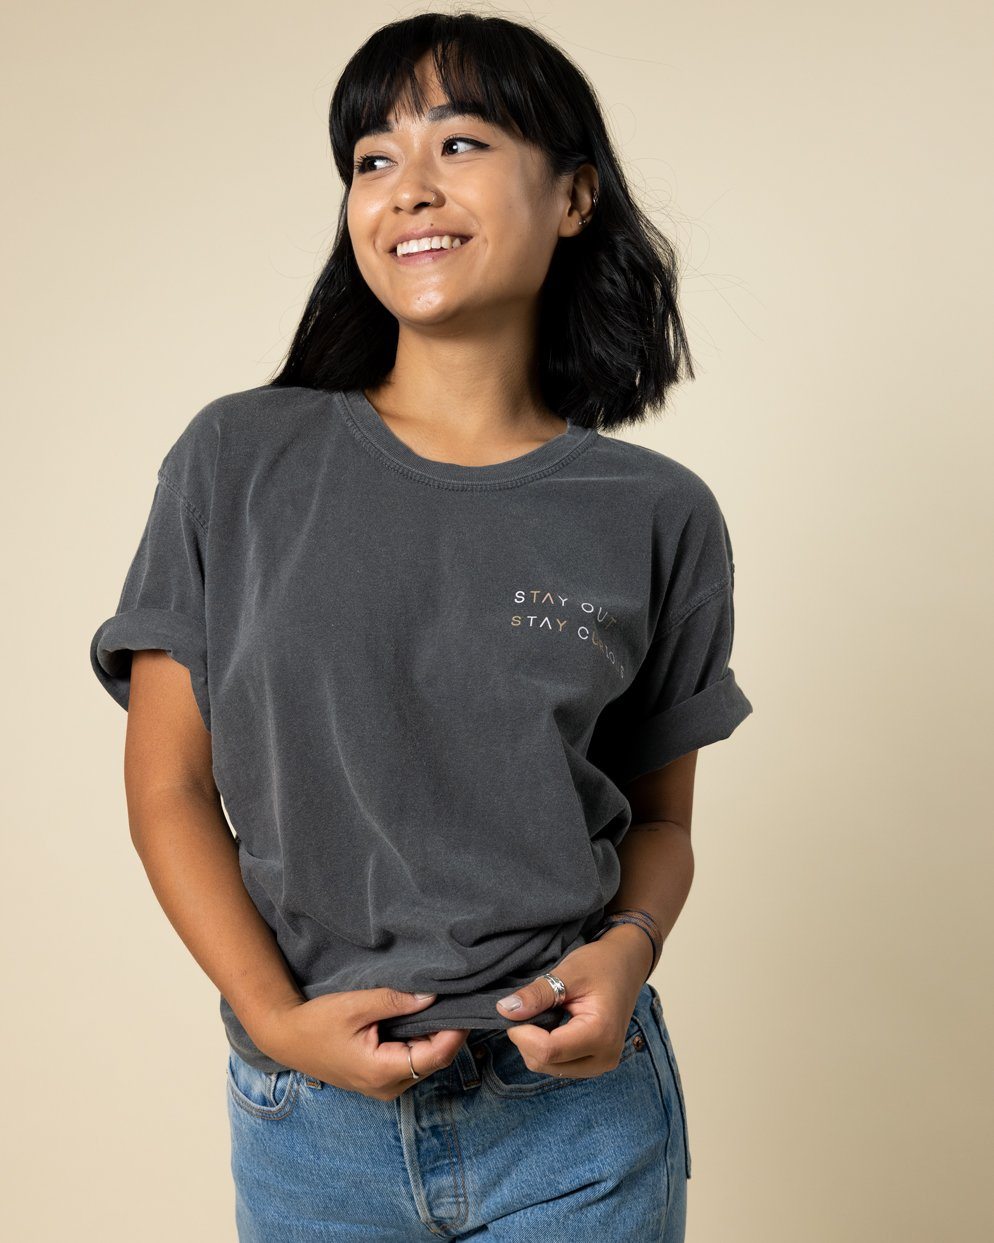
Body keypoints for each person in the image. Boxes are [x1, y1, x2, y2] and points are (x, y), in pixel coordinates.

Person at [89, 12, 753, 1241]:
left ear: (574, 196)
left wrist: (630, 949)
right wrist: (275, 1019)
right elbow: (168, 786)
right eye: (372, 158)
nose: (408, 187)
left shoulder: (656, 514)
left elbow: (659, 823)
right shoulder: (237, 460)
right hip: (311, 1118)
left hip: (576, 1115)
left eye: (459, 142)